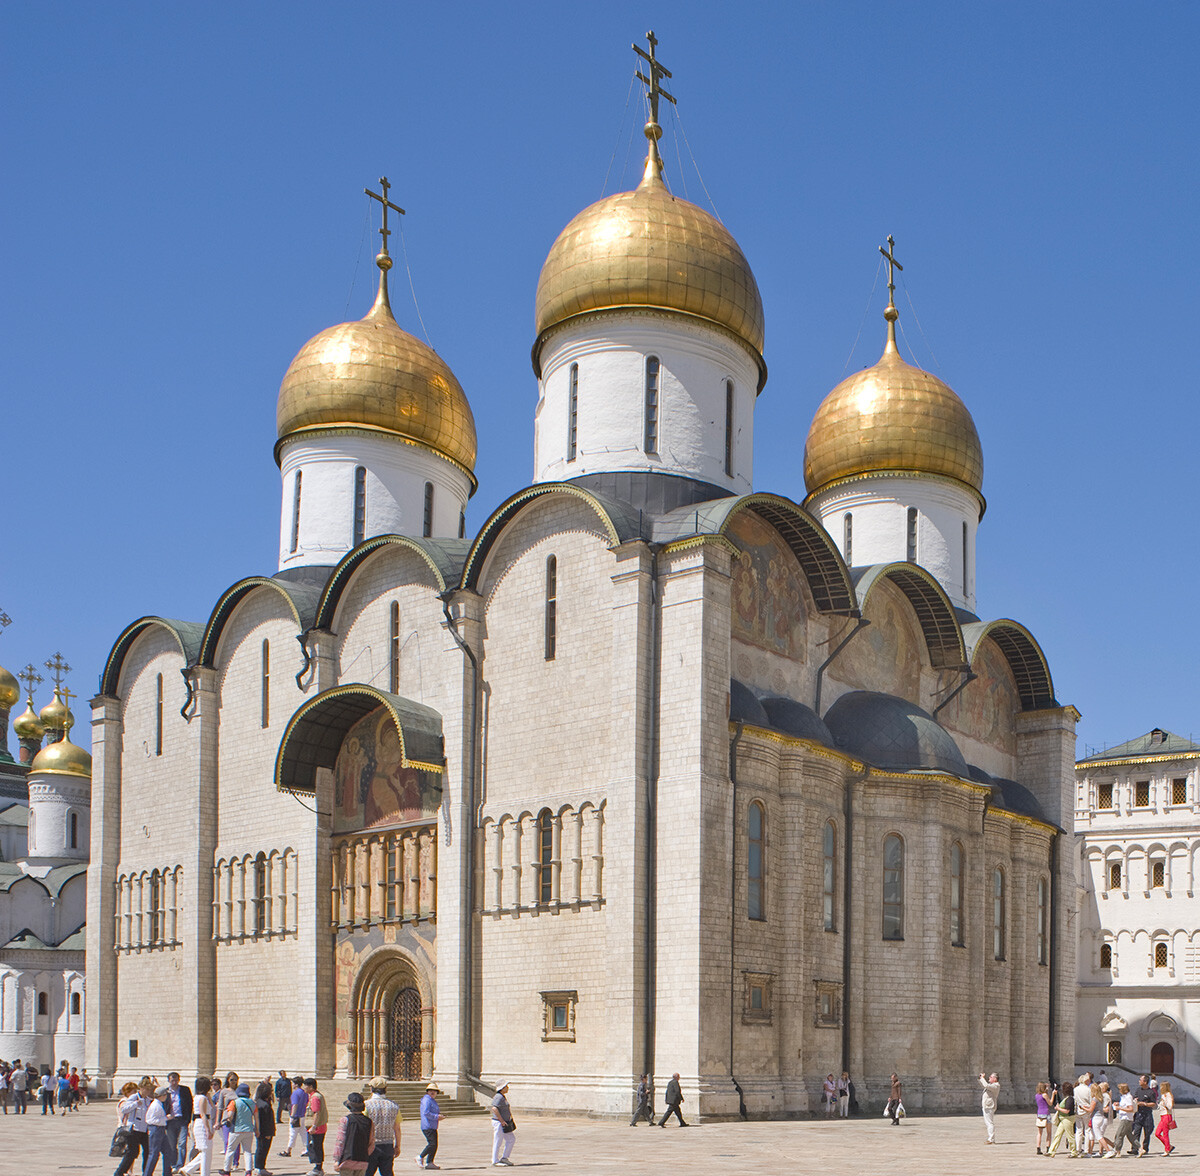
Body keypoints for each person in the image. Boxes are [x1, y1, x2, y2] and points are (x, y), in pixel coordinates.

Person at [363, 1077, 401, 1176]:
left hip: (371, 1145)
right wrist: (397, 1146)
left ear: (371, 1089)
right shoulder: (394, 1106)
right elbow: (397, 1128)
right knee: (387, 1172)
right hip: (388, 1145)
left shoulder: (366, 1105)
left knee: (367, 1172)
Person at [181, 1076, 217, 1176]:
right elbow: (203, 1114)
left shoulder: (200, 1097)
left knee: (206, 1150)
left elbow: (213, 1107)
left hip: (203, 1122)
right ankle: (203, 1173)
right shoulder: (202, 1099)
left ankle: (188, 1169)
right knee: (205, 1150)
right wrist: (207, 1130)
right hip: (202, 1124)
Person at [114, 1081, 151, 1176]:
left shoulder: (147, 1100)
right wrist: (135, 1104)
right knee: (132, 1152)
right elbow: (124, 1109)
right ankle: (119, 1172)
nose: (148, 1091)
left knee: (148, 1150)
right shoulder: (134, 1098)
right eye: (146, 1089)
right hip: (133, 1129)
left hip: (144, 1130)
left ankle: (146, 1172)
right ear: (141, 1089)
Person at [332, 1092, 373, 1175]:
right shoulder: (369, 1122)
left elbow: (340, 1141)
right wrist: (365, 1154)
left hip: (347, 1160)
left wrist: (337, 1159)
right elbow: (371, 1142)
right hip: (362, 1160)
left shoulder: (345, 1120)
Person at [220, 1082, 256, 1176]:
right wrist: (257, 1129)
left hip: (236, 1130)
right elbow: (256, 1118)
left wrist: (228, 1119)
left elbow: (230, 1115)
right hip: (249, 1130)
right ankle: (248, 1171)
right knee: (247, 1151)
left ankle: (227, 1170)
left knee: (230, 1150)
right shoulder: (252, 1103)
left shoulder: (234, 1102)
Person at [167, 1072, 196, 1169]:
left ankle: (180, 1165)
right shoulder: (166, 1092)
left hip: (182, 1120)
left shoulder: (185, 1090)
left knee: (182, 1143)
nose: (174, 1082)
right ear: (169, 1081)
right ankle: (173, 1163)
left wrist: (188, 1119)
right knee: (172, 1144)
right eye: (172, 1080)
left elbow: (190, 1104)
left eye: (176, 1080)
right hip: (171, 1121)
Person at [146, 1086, 176, 1176]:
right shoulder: (156, 1105)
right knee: (154, 1154)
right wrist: (166, 1118)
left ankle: (167, 1172)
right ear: (162, 1095)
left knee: (167, 1151)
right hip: (156, 1129)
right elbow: (150, 1120)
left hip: (160, 1129)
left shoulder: (158, 1104)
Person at [1045, 1077, 1078, 1158]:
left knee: (1070, 1136)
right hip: (1063, 1119)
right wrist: (1054, 1094)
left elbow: (1067, 1111)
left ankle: (1074, 1152)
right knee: (1058, 1134)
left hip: (1068, 1119)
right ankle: (1051, 1151)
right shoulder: (1066, 1098)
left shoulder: (1070, 1099)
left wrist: (1058, 1108)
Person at [303, 1077, 328, 1175]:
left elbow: (316, 1112)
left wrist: (313, 1126)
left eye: (305, 1085)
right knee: (316, 1146)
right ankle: (318, 1167)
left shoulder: (315, 1097)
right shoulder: (315, 1095)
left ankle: (317, 1168)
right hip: (319, 1126)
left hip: (317, 1127)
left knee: (315, 1147)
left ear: (310, 1087)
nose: (304, 1087)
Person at [418, 1082, 443, 1170]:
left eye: (434, 1091)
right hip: (427, 1125)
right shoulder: (427, 1100)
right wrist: (437, 1117)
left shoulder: (432, 1100)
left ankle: (430, 1162)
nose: (433, 1092)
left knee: (434, 1144)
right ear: (427, 1092)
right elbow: (426, 1112)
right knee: (432, 1144)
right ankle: (420, 1156)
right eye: (430, 1091)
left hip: (432, 1125)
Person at [490, 1080, 516, 1166]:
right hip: (499, 1122)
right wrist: (501, 1120)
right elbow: (494, 1108)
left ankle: (505, 1158)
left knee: (511, 1139)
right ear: (502, 1088)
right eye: (506, 1086)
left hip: (504, 1122)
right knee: (498, 1141)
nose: (507, 1088)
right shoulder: (498, 1097)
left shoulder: (502, 1096)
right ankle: (495, 1161)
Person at [280, 1078, 308, 1158]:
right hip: (302, 1115)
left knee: (293, 1133)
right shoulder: (304, 1093)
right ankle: (307, 1148)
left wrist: (292, 1115)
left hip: (296, 1116)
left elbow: (295, 1105)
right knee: (303, 1132)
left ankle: (288, 1150)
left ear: (295, 1084)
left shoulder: (295, 1093)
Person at [253, 1081, 275, 1176]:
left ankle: (260, 1167)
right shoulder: (264, 1105)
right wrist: (268, 1133)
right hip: (265, 1131)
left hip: (260, 1130)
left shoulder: (258, 1102)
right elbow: (266, 1120)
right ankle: (259, 1167)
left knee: (260, 1148)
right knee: (262, 1149)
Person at [1131, 1074, 1156, 1156]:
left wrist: (1144, 1104)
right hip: (1138, 1114)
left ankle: (1145, 1148)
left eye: (1140, 1080)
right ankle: (1134, 1148)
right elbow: (1135, 1098)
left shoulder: (1151, 1092)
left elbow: (1153, 1104)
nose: (1139, 1081)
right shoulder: (1138, 1090)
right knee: (1136, 1132)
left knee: (1147, 1132)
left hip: (1147, 1114)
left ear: (1145, 1082)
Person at [1110, 1082, 1136, 1155]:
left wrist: (1119, 1108)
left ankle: (1117, 1150)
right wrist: (1118, 1104)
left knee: (1119, 1134)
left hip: (1126, 1118)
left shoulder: (1128, 1097)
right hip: (1124, 1118)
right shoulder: (1124, 1097)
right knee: (1130, 1136)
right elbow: (1125, 1105)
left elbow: (1130, 1109)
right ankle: (1140, 1148)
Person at [1153, 1081, 1175, 1156]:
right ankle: (1169, 1146)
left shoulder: (1168, 1095)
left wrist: (1165, 1101)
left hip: (1167, 1115)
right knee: (1157, 1133)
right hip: (1162, 1115)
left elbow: (1170, 1106)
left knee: (1165, 1133)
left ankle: (1167, 1150)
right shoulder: (1163, 1095)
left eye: (1162, 1086)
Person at [1074, 1073, 1093, 1155]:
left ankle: (1078, 1148)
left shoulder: (1076, 1089)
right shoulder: (1088, 1089)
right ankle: (1086, 1149)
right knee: (1087, 1130)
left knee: (1078, 1130)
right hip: (1087, 1110)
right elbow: (1091, 1100)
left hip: (1078, 1110)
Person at [979, 1072, 999, 1143]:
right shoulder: (991, 1085)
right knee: (987, 1122)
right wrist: (980, 1079)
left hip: (989, 1106)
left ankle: (991, 1138)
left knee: (989, 1122)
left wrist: (982, 1078)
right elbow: (984, 1085)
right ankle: (990, 1137)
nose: (989, 1078)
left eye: (991, 1077)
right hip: (986, 1105)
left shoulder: (996, 1085)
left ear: (995, 1079)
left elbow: (986, 1085)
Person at [1035, 1081, 1052, 1154]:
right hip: (1046, 1114)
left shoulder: (1037, 1095)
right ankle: (1048, 1148)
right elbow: (1050, 1103)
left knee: (1039, 1133)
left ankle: (1038, 1148)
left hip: (1039, 1114)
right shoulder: (1045, 1095)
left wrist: (1046, 1089)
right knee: (1048, 1132)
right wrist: (1053, 1094)